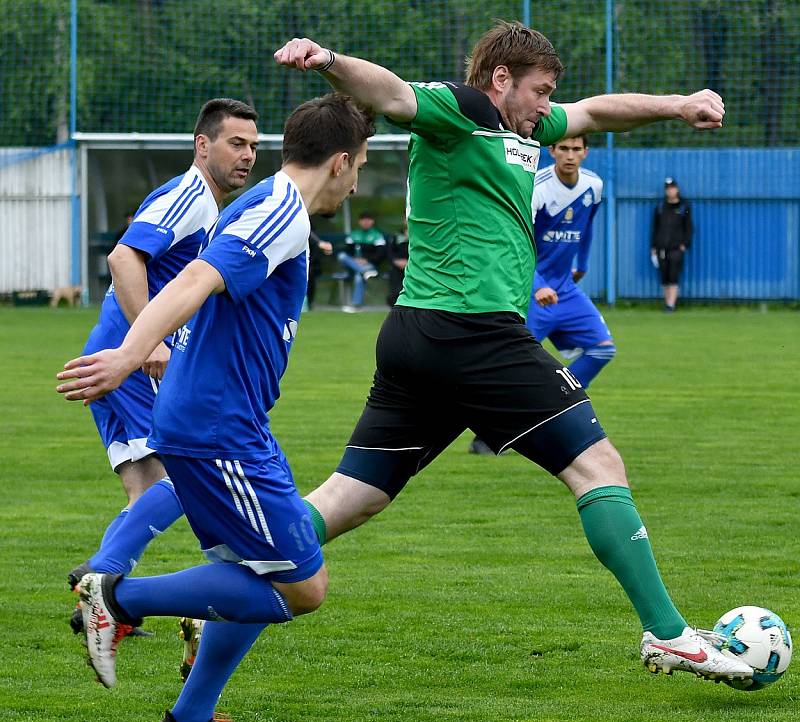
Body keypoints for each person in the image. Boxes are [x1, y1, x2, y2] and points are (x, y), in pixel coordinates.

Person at [274, 22, 753, 683]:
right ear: (501, 80)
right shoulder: (463, 111)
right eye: (539, 91)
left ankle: (214, 588)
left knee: (349, 499)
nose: (547, 108)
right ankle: (668, 633)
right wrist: (328, 60)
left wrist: (678, 104)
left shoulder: (524, 132)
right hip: (472, 334)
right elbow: (390, 95)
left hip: (421, 338)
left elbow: (595, 112)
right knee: (598, 465)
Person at [56, 93, 374, 722]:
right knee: (302, 587)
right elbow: (195, 278)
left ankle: (188, 721)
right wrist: (130, 355)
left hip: (225, 422)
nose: (360, 178)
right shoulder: (280, 210)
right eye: (362, 164)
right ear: (341, 162)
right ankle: (113, 598)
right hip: (217, 428)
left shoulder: (264, 204)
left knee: (254, 572)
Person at [67, 99, 259, 640]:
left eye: (253, 147)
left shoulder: (210, 206)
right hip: (126, 363)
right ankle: (101, 580)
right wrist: (146, 341)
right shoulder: (189, 194)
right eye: (235, 144)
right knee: (186, 476)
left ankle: (102, 605)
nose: (246, 156)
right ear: (203, 145)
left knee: (148, 492)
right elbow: (124, 258)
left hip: (122, 361)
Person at [469, 135, 612, 454]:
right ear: (552, 151)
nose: (571, 155)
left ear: (586, 152)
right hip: (530, 289)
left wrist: (583, 264)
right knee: (509, 366)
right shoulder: (537, 187)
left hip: (565, 288)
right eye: (564, 149)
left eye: (577, 149)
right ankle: (486, 432)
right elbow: (516, 241)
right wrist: (538, 285)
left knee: (602, 349)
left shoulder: (594, 185)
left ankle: (551, 408)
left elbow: (587, 228)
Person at [651, 177, 692, 312]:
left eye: (672, 188)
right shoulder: (660, 207)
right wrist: (654, 247)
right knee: (664, 275)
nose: (670, 191)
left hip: (676, 248)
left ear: (677, 189)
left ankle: (671, 305)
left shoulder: (684, 207)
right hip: (662, 248)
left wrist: (685, 244)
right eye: (668, 189)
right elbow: (655, 228)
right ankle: (667, 303)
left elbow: (689, 226)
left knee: (674, 274)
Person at [337, 210, 385, 311]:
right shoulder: (354, 234)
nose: (365, 222)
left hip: (369, 264)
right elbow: (347, 251)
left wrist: (366, 260)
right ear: (359, 222)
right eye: (363, 220)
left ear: (372, 221)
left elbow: (381, 254)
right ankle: (365, 272)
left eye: (368, 220)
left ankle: (356, 305)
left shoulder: (377, 235)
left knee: (359, 276)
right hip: (352, 265)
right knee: (341, 256)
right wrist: (355, 260)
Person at [387, 220, 408, 307]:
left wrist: (409, 262)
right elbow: (389, 251)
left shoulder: (422, 234)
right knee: (396, 291)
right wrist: (396, 261)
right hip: (397, 266)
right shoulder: (397, 235)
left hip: (415, 266)